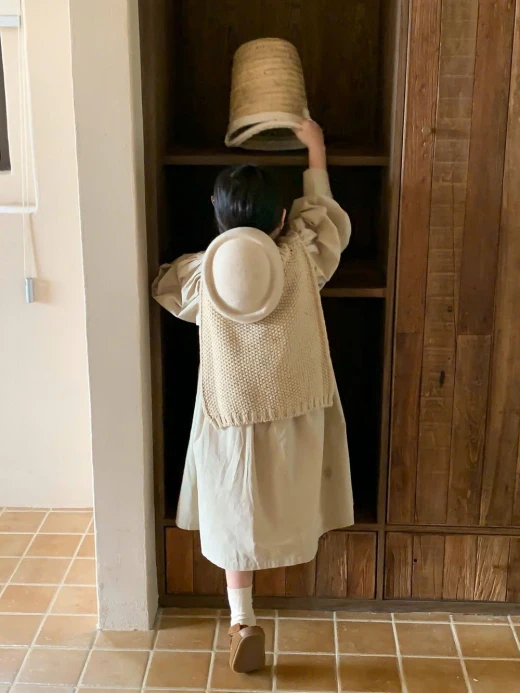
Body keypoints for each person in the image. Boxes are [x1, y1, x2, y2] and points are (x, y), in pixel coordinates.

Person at [153, 120, 354, 673]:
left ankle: (242, 619)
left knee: (232, 509)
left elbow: (165, 286)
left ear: (216, 215)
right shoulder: (306, 256)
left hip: (230, 412)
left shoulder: (201, 276)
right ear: (282, 217)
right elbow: (326, 217)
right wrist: (315, 146)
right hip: (295, 404)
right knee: (290, 493)